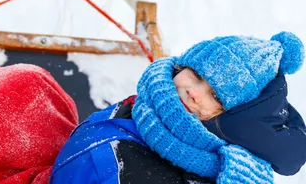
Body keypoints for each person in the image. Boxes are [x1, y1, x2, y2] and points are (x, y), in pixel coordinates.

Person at [50, 31, 306, 184]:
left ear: (231, 117)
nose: (193, 92)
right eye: (195, 73)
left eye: (216, 96)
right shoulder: (154, 104)